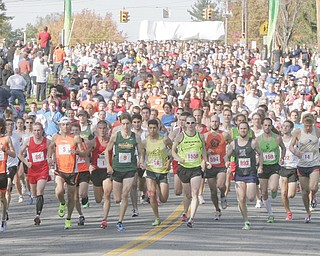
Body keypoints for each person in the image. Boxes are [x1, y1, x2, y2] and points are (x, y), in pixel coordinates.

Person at [106, 113, 143, 232]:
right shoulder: (116, 136)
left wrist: (141, 161)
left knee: (125, 194)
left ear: (131, 124)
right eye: (123, 124)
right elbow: (107, 151)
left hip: (130, 169)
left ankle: (120, 221)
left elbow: (141, 151)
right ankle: (120, 206)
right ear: (120, 124)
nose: (126, 126)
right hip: (117, 168)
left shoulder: (135, 137)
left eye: (128, 124)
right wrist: (108, 166)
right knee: (117, 199)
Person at [47, 117, 85, 229]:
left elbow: (83, 153)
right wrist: (50, 157)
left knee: (71, 196)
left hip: (72, 170)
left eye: (67, 124)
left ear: (70, 125)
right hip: (60, 169)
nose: (65, 127)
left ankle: (68, 218)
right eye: (63, 125)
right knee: (59, 190)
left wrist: (77, 152)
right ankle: (62, 203)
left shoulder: (76, 138)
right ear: (60, 126)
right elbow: (50, 147)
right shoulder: (56, 137)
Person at [172, 115, 208, 228]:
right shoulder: (180, 136)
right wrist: (178, 158)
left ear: (196, 124)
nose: (191, 125)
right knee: (187, 194)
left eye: (193, 123)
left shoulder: (200, 136)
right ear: (185, 124)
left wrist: (206, 161)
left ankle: (191, 218)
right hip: (184, 168)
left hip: (196, 168)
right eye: (188, 123)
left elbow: (203, 150)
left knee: (195, 193)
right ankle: (185, 211)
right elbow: (173, 151)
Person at [224, 121, 262, 230]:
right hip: (239, 174)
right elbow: (227, 156)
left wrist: (260, 166)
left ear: (248, 130)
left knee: (250, 197)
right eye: (241, 129)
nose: (243, 130)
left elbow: (260, 154)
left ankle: (255, 199)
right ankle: (246, 220)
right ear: (238, 130)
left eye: (245, 129)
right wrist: (227, 163)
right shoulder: (234, 143)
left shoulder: (253, 142)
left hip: (250, 173)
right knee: (241, 199)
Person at [141, 119, 172, 226]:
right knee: (152, 194)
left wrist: (169, 162)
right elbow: (142, 154)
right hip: (150, 170)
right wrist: (141, 162)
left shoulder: (164, 139)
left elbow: (173, 150)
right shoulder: (145, 141)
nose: (152, 130)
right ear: (148, 129)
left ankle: (158, 188)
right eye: (150, 128)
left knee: (163, 199)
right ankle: (156, 217)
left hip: (162, 171)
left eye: (154, 128)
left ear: (158, 128)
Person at [289, 113, 320, 223]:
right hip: (302, 164)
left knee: (313, 187)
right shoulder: (298, 132)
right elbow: (291, 146)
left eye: (310, 125)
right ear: (302, 123)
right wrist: (296, 152)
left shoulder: (317, 131)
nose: (308, 127)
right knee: (304, 191)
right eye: (306, 125)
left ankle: (314, 195)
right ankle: (308, 212)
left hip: (315, 163)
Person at [19, 122, 50, 225]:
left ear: (42, 131)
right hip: (32, 170)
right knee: (35, 194)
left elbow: (54, 150)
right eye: (35, 130)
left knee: (40, 190)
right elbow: (19, 154)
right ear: (32, 131)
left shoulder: (47, 141)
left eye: (39, 130)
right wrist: (26, 162)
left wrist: (51, 158)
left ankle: (38, 215)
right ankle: (37, 209)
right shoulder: (28, 141)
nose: (37, 132)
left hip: (43, 169)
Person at [256, 118, 286, 223]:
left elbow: (283, 148)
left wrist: (282, 158)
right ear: (262, 126)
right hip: (263, 166)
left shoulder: (277, 138)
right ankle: (270, 214)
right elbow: (257, 152)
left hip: (274, 166)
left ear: (272, 126)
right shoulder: (258, 139)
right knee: (264, 192)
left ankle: (274, 191)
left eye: (269, 125)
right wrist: (257, 163)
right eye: (265, 125)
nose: (267, 127)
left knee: (273, 188)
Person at [204, 115, 231, 220]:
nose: (214, 123)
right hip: (210, 165)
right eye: (212, 121)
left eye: (216, 121)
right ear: (209, 123)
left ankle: (223, 195)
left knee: (220, 185)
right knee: (213, 191)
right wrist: (207, 153)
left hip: (221, 165)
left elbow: (231, 146)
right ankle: (217, 209)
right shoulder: (205, 136)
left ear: (219, 123)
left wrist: (227, 157)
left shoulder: (225, 135)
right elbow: (201, 151)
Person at [87, 120, 113, 228]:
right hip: (96, 171)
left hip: (107, 171)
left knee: (107, 194)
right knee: (98, 199)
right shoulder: (93, 142)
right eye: (100, 128)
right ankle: (102, 200)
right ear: (97, 130)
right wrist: (89, 164)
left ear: (107, 130)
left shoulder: (111, 141)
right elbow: (85, 154)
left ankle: (104, 219)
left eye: (104, 128)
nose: (102, 130)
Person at [70, 123, 90, 226]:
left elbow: (86, 155)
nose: (74, 133)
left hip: (83, 170)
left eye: (76, 130)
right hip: (73, 171)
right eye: (72, 131)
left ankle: (85, 197)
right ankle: (80, 215)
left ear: (80, 131)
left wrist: (89, 165)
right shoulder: (68, 143)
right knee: (75, 197)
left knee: (82, 193)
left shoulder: (83, 142)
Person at [280, 120, 298, 221]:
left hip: (293, 168)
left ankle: (296, 185)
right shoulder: (279, 139)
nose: (285, 128)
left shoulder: (295, 140)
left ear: (291, 129)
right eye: (284, 126)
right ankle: (288, 212)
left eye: (287, 126)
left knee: (290, 195)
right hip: (283, 167)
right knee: (283, 193)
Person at [0, 118, 16, 232]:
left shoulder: (6, 139)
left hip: (2, 172)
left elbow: (14, 154)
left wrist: (5, 150)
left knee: (2, 197)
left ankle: (3, 217)